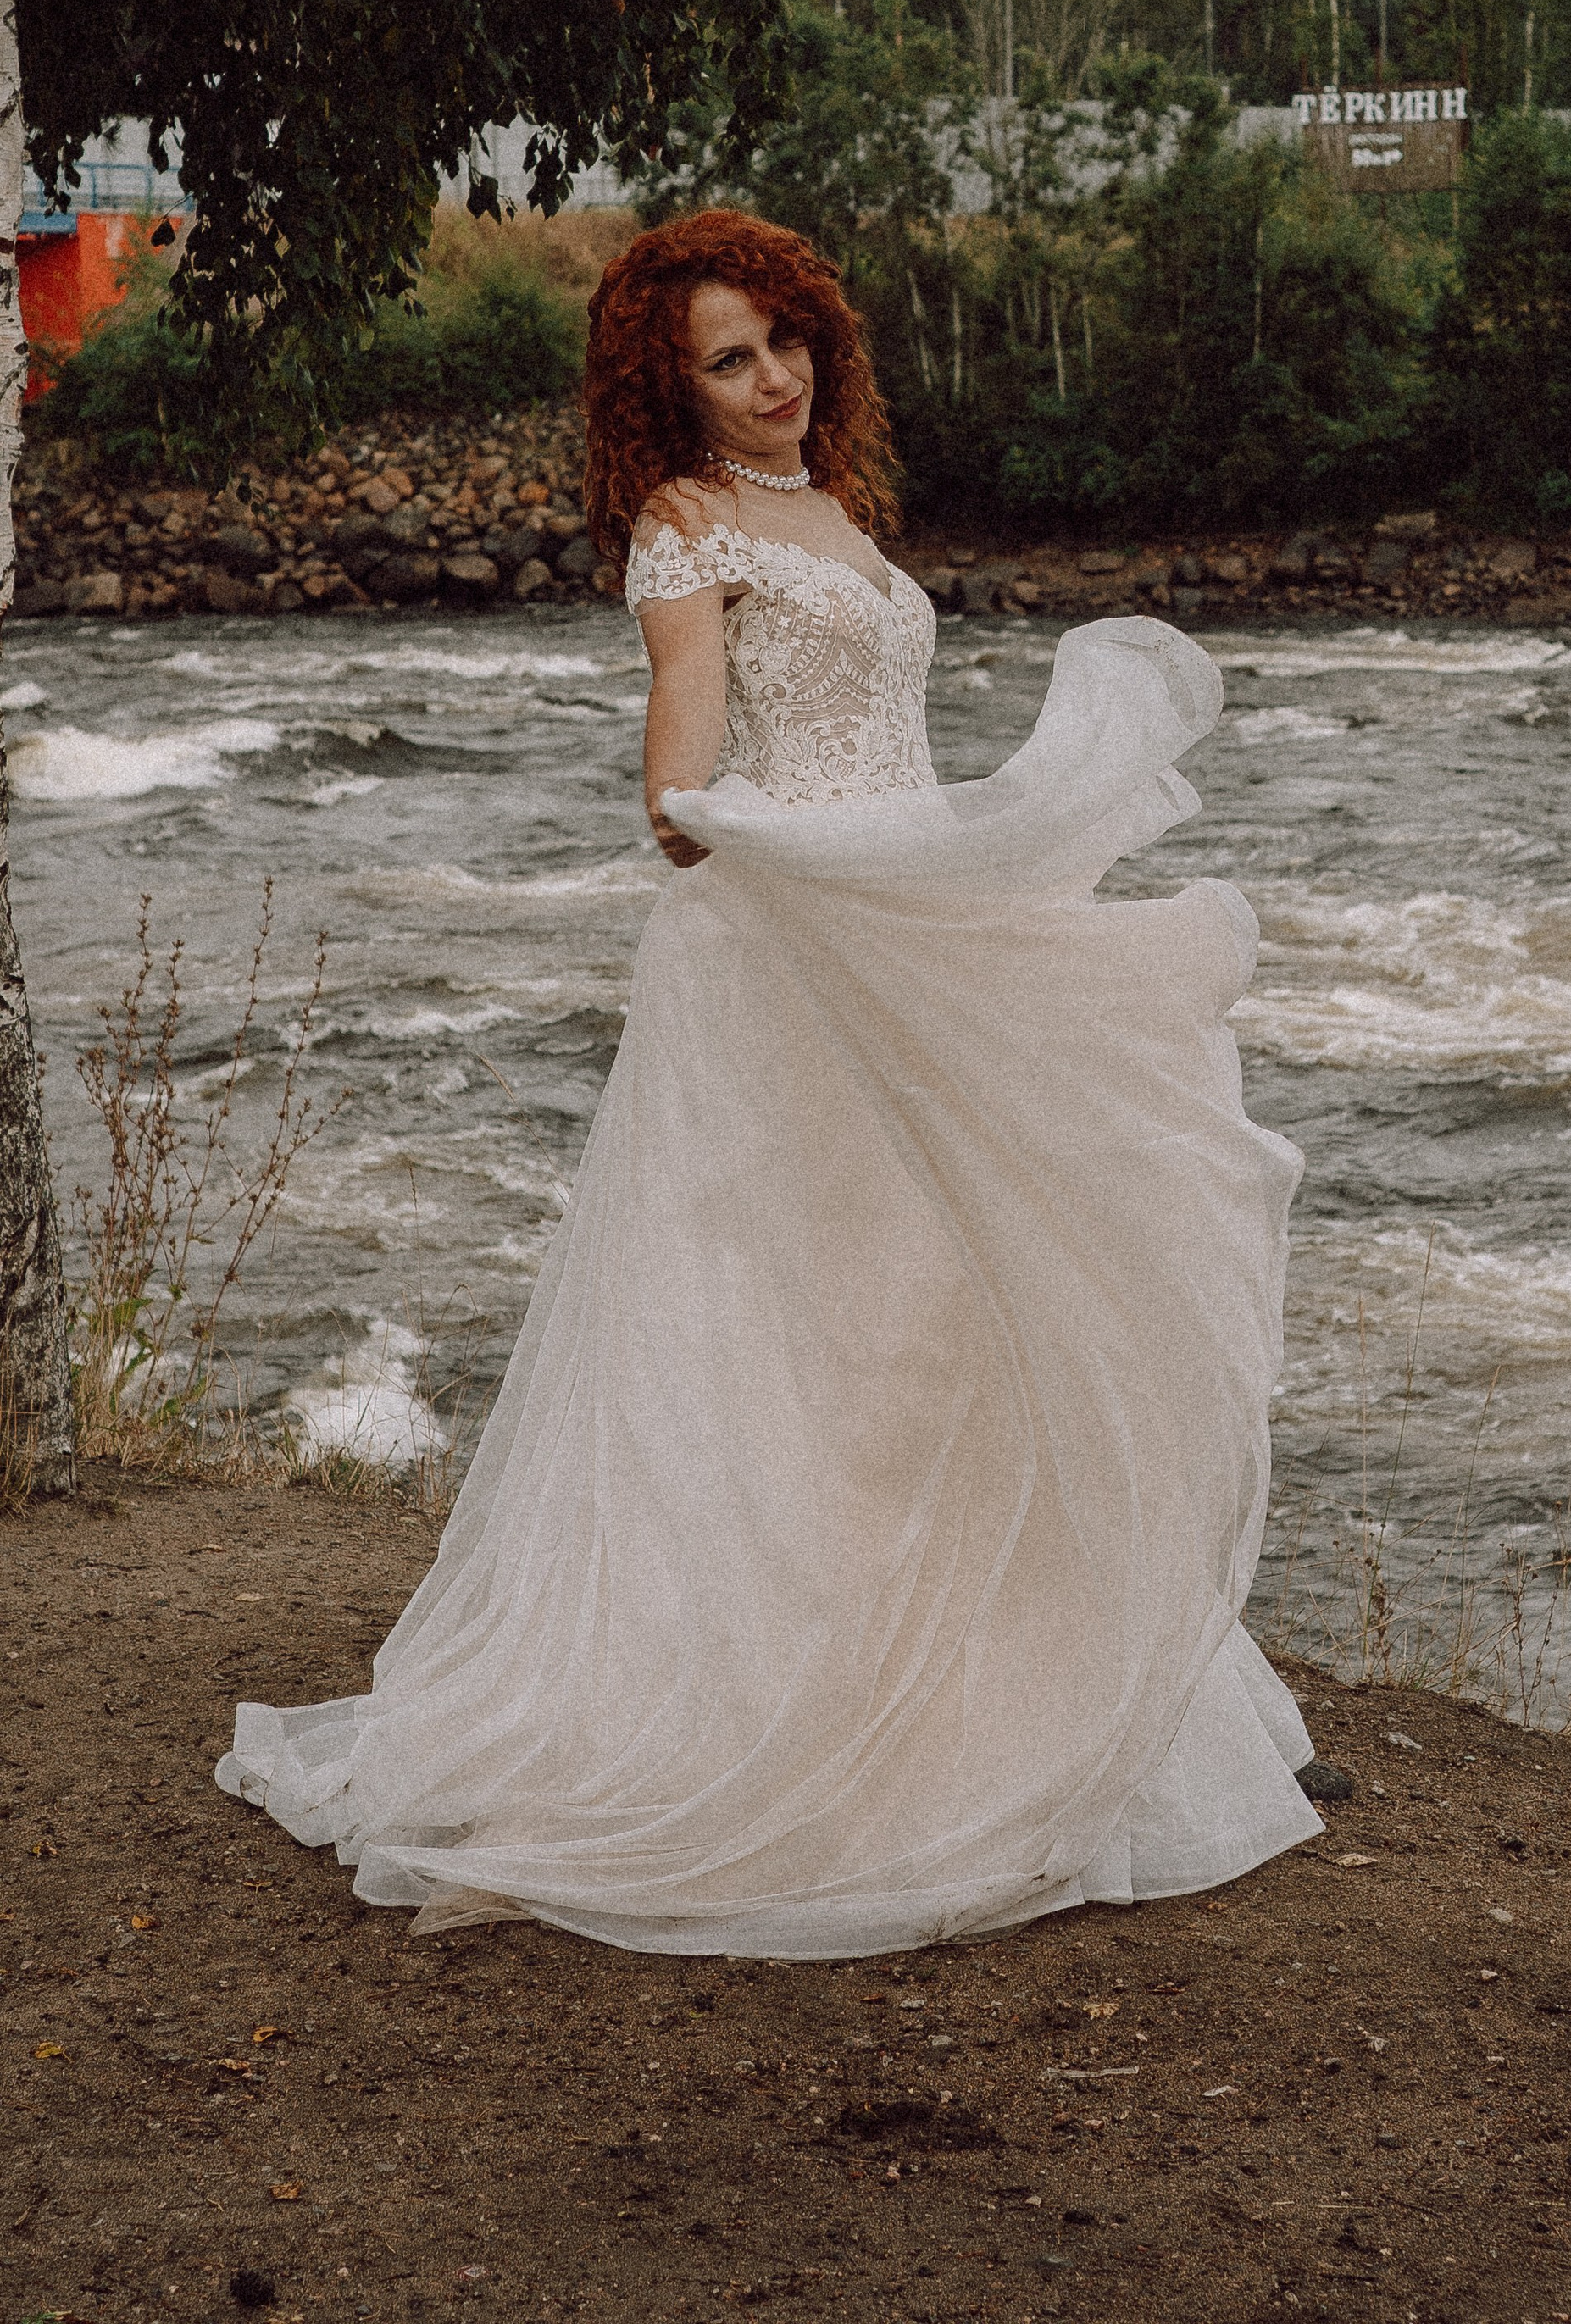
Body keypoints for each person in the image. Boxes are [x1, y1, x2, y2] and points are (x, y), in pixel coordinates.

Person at [217, 206, 1324, 1955]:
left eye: (784, 338)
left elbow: (892, 737)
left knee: (922, 1327)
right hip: (784, 958)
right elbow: (674, 794)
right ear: (675, 393)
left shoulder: (841, 516)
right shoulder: (687, 526)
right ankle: (686, 1732)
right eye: (726, 360)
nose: (770, 376)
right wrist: (798, 848)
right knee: (773, 1340)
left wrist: (962, 856)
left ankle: (952, 1703)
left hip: (895, 936)